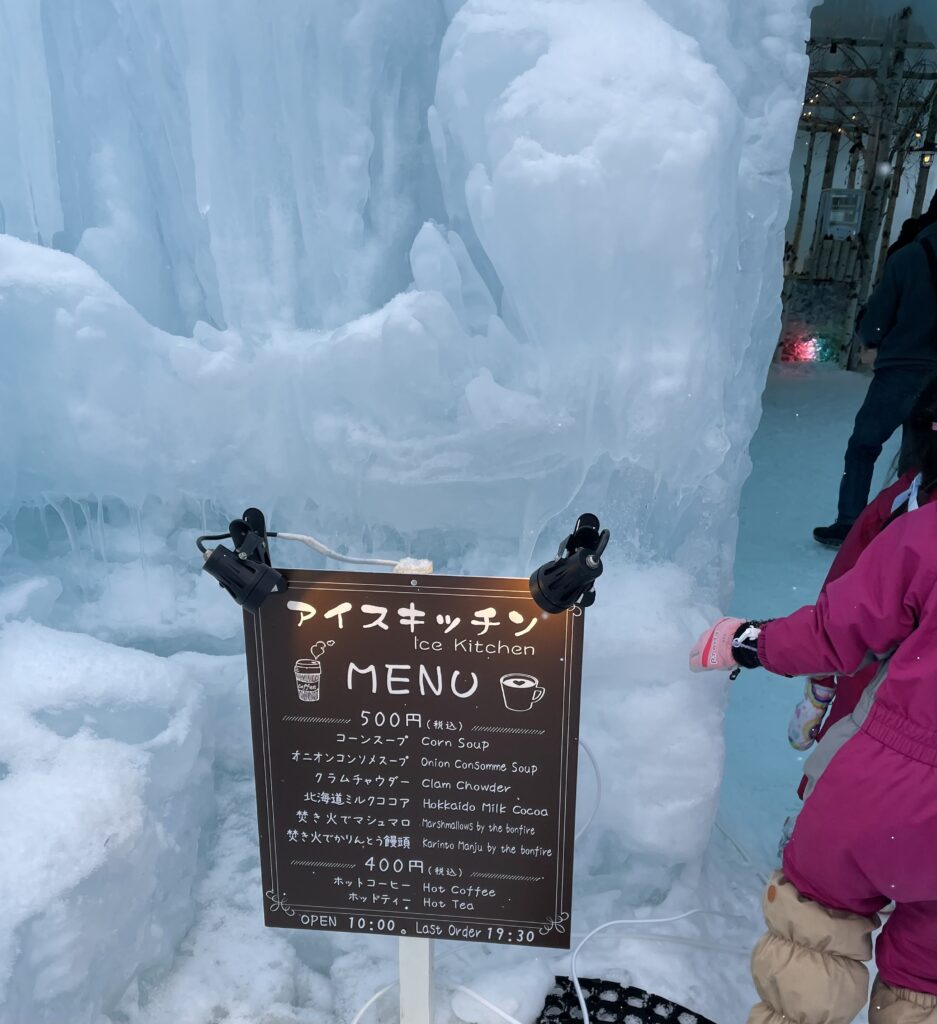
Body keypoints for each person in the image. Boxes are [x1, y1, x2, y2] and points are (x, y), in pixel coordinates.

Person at [690, 502, 937, 1020]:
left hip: (885, 790)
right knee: (926, 985)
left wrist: (751, 642)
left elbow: (838, 631)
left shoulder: (927, 533)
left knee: (814, 943)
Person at [789, 373, 937, 778]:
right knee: (845, 772)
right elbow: (842, 605)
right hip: (873, 684)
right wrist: (820, 684)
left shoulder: (903, 503)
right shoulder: (902, 503)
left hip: (889, 696)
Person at [813, 205, 937, 547]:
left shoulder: (909, 257)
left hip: (901, 371)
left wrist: (870, 334)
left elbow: (874, 324)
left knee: (864, 446)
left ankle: (850, 523)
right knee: (923, 459)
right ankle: (911, 532)